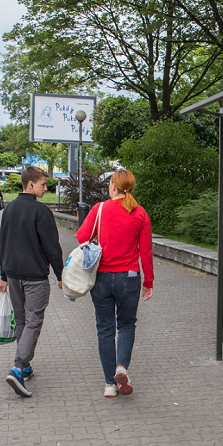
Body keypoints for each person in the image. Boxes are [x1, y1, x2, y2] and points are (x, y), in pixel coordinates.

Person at [76, 168, 154, 398]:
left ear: (113, 186)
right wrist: (148, 282)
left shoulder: (99, 209)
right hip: (129, 277)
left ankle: (110, 384)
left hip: (102, 278)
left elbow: (82, 237)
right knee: (127, 325)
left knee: (105, 330)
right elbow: (146, 252)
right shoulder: (140, 213)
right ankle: (122, 367)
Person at [0, 166, 64, 397]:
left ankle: (25, 366)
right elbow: (52, 247)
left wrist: (3, 275)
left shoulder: (9, 208)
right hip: (35, 277)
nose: (46, 188)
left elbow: (2, 243)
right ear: (31, 184)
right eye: (43, 184)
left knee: (22, 321)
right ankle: (17, 368)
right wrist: (60, 273)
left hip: (13, 275)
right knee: (33, 322)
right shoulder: (41, 211)